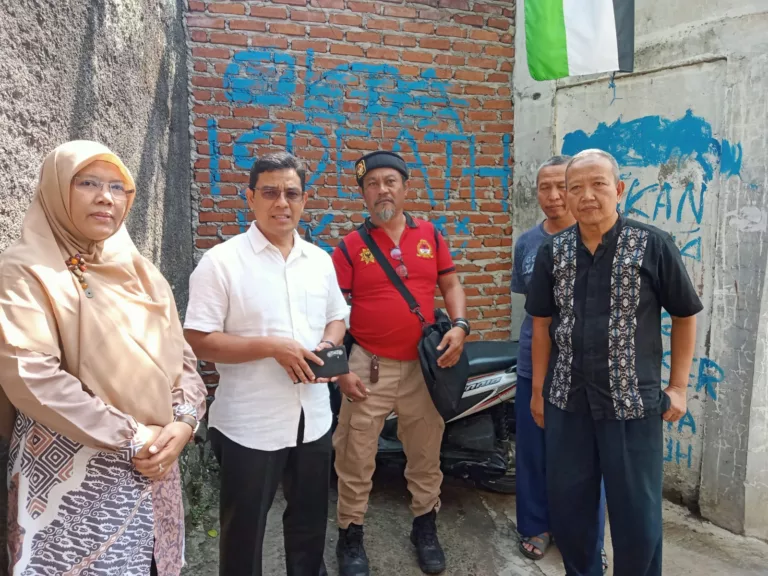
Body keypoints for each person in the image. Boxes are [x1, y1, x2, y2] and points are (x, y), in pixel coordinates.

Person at [0, 140, 207, 575]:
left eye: (118, 187)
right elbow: (30, 374)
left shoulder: (141, 273)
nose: (105, 197)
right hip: (72, 475)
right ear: (57, 189)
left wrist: (185, 421)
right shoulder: (25, 271)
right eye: (88, 183)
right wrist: (133, 436)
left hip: (154, 467)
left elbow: (182, 356)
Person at [526, 149, 702, 576]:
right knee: (570, 509)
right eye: (576, 187)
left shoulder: (652, 244)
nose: (587, 195)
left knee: (637, 517)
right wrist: (538, 392)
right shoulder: (555, 252)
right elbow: (542, 324)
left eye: (598, 184)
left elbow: (684, 315)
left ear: (618, 189)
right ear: (566, 196)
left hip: (631, 404)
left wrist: (678, 387)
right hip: (567, 400)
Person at [183, 152, 349, 576]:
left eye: (291, 193)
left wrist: (328, 343)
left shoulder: (319, 260)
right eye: (270, 192)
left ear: (304, 200)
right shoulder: (222, 262)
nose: (282, 203)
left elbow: (338, 316)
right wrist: (272, 348)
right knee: (244, 533)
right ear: (251, 198)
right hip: (248, 425)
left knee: (311, 526)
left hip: (312, 418)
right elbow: (198, 340)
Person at [331, 151, 469, 576]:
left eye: (390, 181)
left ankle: (424, 526)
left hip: (423, 369)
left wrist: (460, 325)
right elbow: (331, 311)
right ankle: (350, 534)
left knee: (426, 451)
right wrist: (339, 368)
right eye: (372, 184)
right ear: (363, 195)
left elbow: (449, 280)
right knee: (355, 454)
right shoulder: (350, 246)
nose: (381, 190)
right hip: (367, 365)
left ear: (406, 188)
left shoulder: (430, 234)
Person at [512, 156, 608, 571]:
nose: (552, 197)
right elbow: (532, 309)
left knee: (591, 460)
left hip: (586, 369)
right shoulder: (528, 244)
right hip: (534, 361)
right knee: (534, 451)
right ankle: (536, 524)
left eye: (559, 187)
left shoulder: (600, 237)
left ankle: (588, 539)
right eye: (543, 188)